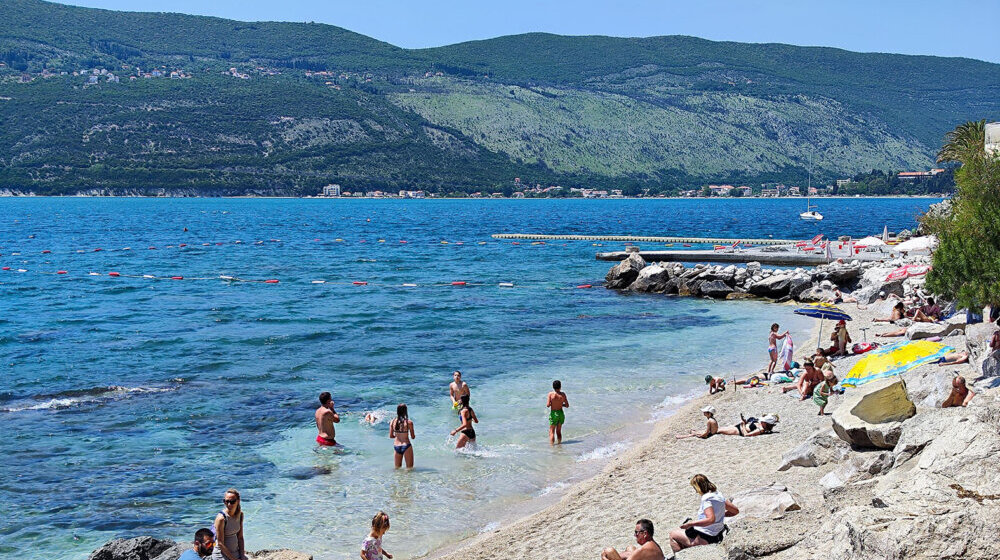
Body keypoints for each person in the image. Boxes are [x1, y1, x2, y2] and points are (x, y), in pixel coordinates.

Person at [668, 475, 738, 552]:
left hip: (705, 537)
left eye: (695, 488)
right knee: (682, 532)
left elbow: (710, 519)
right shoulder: (718, 495)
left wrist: (691, 524)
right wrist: (720, 514)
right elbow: (735, 511)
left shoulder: (706, 499)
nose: (695, 491)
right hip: (717, 535)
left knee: (672, 535)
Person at [601, 519, 665, 560]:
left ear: (645, 534)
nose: (635, 535)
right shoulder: (653, 545)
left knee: (609, 551)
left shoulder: (643, 549)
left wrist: (605, 558)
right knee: (630, 548)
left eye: (636, 532)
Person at [211, 489, 247, 560]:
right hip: (221, 554)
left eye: (232, 501)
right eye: (226, 501)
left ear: (238, 501)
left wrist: (242, 555)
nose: (229, 504)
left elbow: (240, 537)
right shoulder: (221, 518)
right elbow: (220, 544)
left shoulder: (240, 515)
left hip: (235, 552)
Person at [389, 403, 415, 469]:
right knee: (409, 469)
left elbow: (391, 436)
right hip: (406, 445)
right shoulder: (409, 422)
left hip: (396, 446)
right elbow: (413, 437)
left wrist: (398, 436)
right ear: (405, 411)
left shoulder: (392, 421)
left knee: (397, 469)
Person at [546, 380, 569, 445]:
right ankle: (559, 444)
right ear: (560, 386)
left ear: (553, 387)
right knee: (558, 431)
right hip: (561, 413)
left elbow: (548, 405)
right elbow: (567, 405)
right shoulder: (563, 394)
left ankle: (552, 446)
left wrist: (552, 403)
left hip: (554, 413)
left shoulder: (550, 394)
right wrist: (561, 404)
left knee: (551, 431)